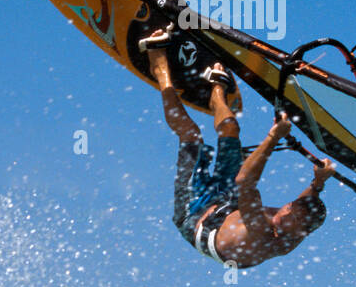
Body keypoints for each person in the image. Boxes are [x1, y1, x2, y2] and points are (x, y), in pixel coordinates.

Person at [143, 28, 336, 268]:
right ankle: (217, 93)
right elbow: (305, 209)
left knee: (191, 135)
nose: (285, 210)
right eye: (290, 206)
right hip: (227, 202)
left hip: (194, 213)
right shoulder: (294, 221)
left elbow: (244, 181)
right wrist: (318, 183)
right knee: (231, 130)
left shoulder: (264, 236)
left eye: (292, 216)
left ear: (299, 233)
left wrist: (273, 137)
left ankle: (159, 69)